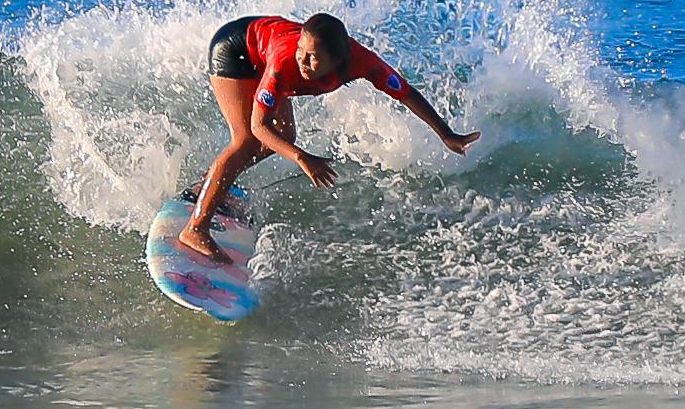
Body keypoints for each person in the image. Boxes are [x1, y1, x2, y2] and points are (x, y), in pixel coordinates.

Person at [178, 13, 481, 263]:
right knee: (246, 141)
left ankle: (212, 185)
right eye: (302, 52)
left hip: (265, 50)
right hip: (237, 49)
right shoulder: (287, 62)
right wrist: (301, 157)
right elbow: (259, 126)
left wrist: (446, 134)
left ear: (337, 60)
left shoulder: (363, 62)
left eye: (313, 59)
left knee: (283, 135)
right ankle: (196, 229)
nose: (304, 62)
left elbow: (406, 93)